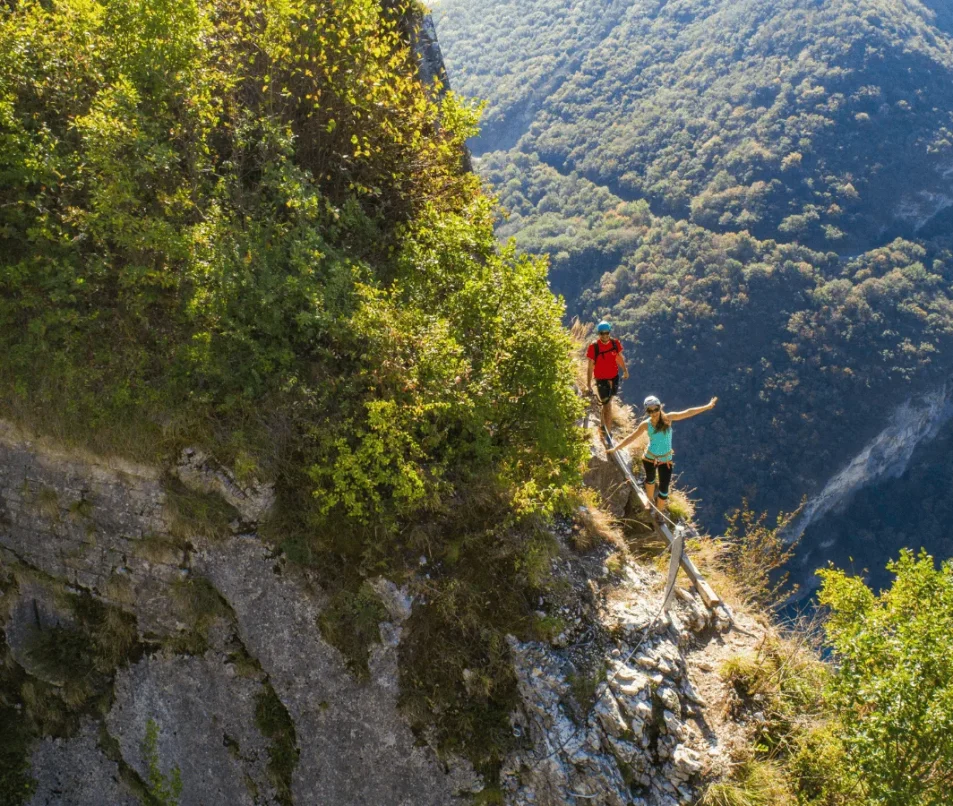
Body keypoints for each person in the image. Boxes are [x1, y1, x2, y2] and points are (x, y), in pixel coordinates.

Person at [608, 395, 718, 515]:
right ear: (647, 411)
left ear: (660, 407)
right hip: (649, 458)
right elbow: (632, 437)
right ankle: (649, 502)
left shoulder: (668, 418)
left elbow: (687, 413)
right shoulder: (646, 424)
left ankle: (659, 513)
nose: (654, 413)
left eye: (656, 409)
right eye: (650, 411)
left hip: (665, 460)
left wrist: (706, 407)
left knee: (664, 490)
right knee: (650, 480)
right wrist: (616, 448)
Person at [586, 321, 629, 437]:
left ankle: (602, 424)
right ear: (598, 334)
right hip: (601, 379)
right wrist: (588, 384)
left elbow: (619, 357)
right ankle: (608, 433)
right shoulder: (593, 347)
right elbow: (590, 367)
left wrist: (625, 370)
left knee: (607, 402)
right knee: (607, 404)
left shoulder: (615, 344)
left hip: (614, 378)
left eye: (606, 333)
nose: (604, 336)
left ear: (609, 332)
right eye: (602, 333)